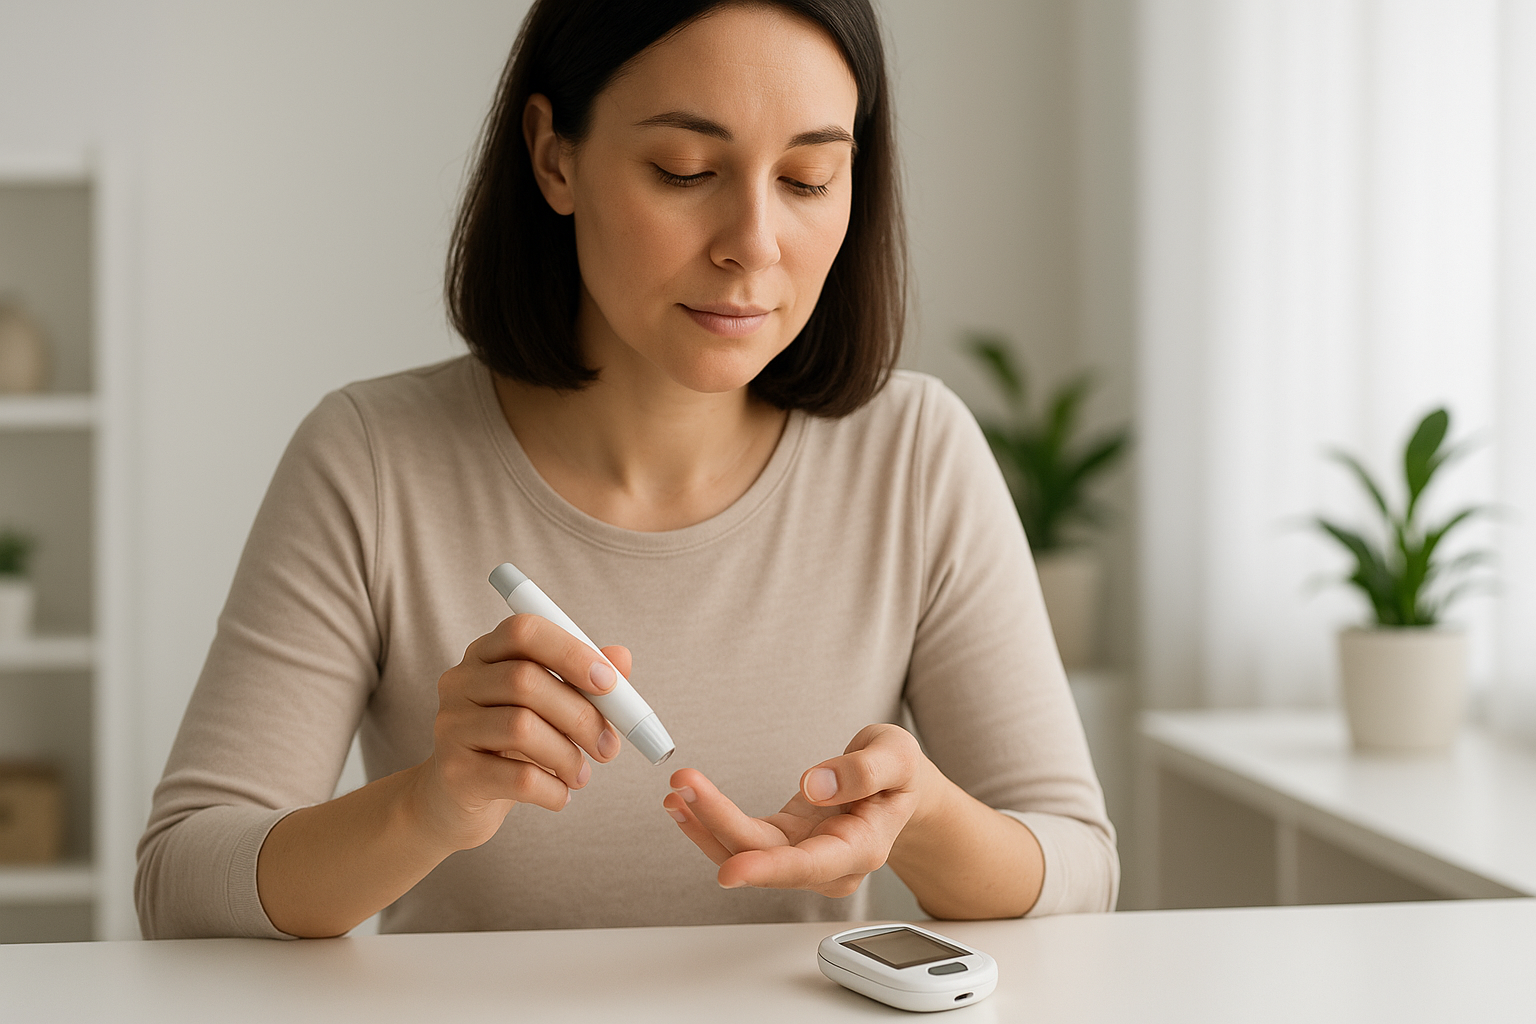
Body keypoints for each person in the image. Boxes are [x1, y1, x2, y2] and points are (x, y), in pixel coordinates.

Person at [136, 0, 1118, 940]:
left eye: (810, 179)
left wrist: (924, 816)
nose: (754, 245)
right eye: (686, 169)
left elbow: (1080, 867)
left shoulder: (914, 455)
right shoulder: (372, 459)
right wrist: (431, 804)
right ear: (553, 155)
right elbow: (183, 880)